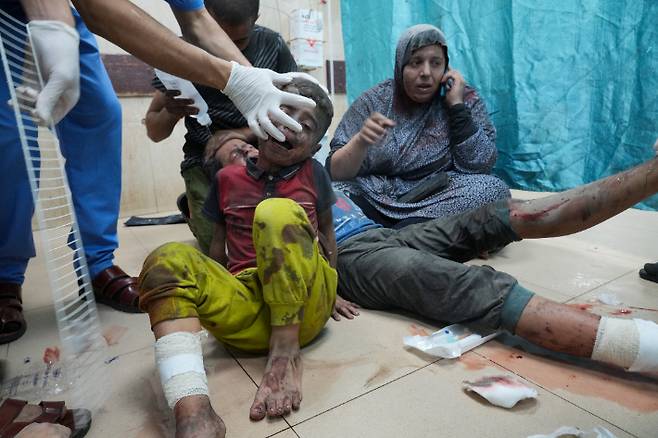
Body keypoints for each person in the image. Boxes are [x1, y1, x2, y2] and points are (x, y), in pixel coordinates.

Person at [0, 0, 321, 344]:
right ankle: (5, 274)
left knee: (102, 116)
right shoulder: (179, 66)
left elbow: (195, 17)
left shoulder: (270, 47)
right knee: (11, 138)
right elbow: (100, 10)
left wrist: (251, 84)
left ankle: (96, 262)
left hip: (71, 15)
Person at [138, 78, 356, 438]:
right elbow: (216, 249)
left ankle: (285, 353)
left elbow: (327, 234)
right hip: (249, 311)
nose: (290, 124)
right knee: (166, 259)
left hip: (304, 312)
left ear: (315, 147)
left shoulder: (314, 173)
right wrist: (209, 293)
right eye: (284, 111)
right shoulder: (226, 178)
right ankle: (192, 408)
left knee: (276, 213)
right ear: (262, 116)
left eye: (305, 124)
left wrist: (331, 285)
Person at [331, 144, 658, 373]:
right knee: (465, 283)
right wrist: (320, 283)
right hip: (349, 255)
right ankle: (644, 348)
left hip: (382, 232)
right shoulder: (278, 191)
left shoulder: (308, 165)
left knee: (499, 216)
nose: (296, 126)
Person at [145, 0, 299, 253]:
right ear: (205, 17)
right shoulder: (183, 51)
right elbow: (154, 132)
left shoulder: (272, 45)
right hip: (203, 159)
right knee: (223, 250)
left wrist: (242, 133)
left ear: (256, 17)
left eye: (239, 43)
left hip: (262, 152)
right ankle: (196, 202)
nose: (227, 52)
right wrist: (171, 113)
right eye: (219, 37)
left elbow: (293, 111)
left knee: (276, 237)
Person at [327, 24, 509, 229]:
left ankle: (393, 234)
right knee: (327, 193)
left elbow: (480, 165)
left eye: (436, 63)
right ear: (400, 65)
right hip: (377, 197)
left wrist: (457, 108)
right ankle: (428, 235)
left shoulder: (462, 98)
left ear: (446, 68)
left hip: (436, 197)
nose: (426, 72)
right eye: (416, 62)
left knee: (493, 190)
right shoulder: (375, 101)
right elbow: (335, 173)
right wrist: (360, 142)